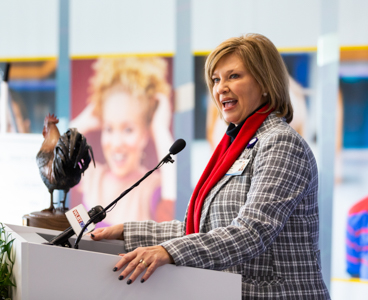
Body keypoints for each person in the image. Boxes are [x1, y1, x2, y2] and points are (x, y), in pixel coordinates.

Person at [91, 34, 330, 299]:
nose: (221, 88)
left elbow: (252, 232)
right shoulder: (237, 145)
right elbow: (200, 228)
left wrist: (170, 252)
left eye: (233, 76)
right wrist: (126, 231)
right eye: (216, 79)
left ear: (264, 82)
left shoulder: (280, 143)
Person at [70, 57, 175, 225]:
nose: (117, 143)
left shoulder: (151, 187)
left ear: (145, 134)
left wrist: (160, 130)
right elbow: (51, 164)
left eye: (128, 130)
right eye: (109, 128)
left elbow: (175, 207)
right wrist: (79, 124)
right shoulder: (92, 177)